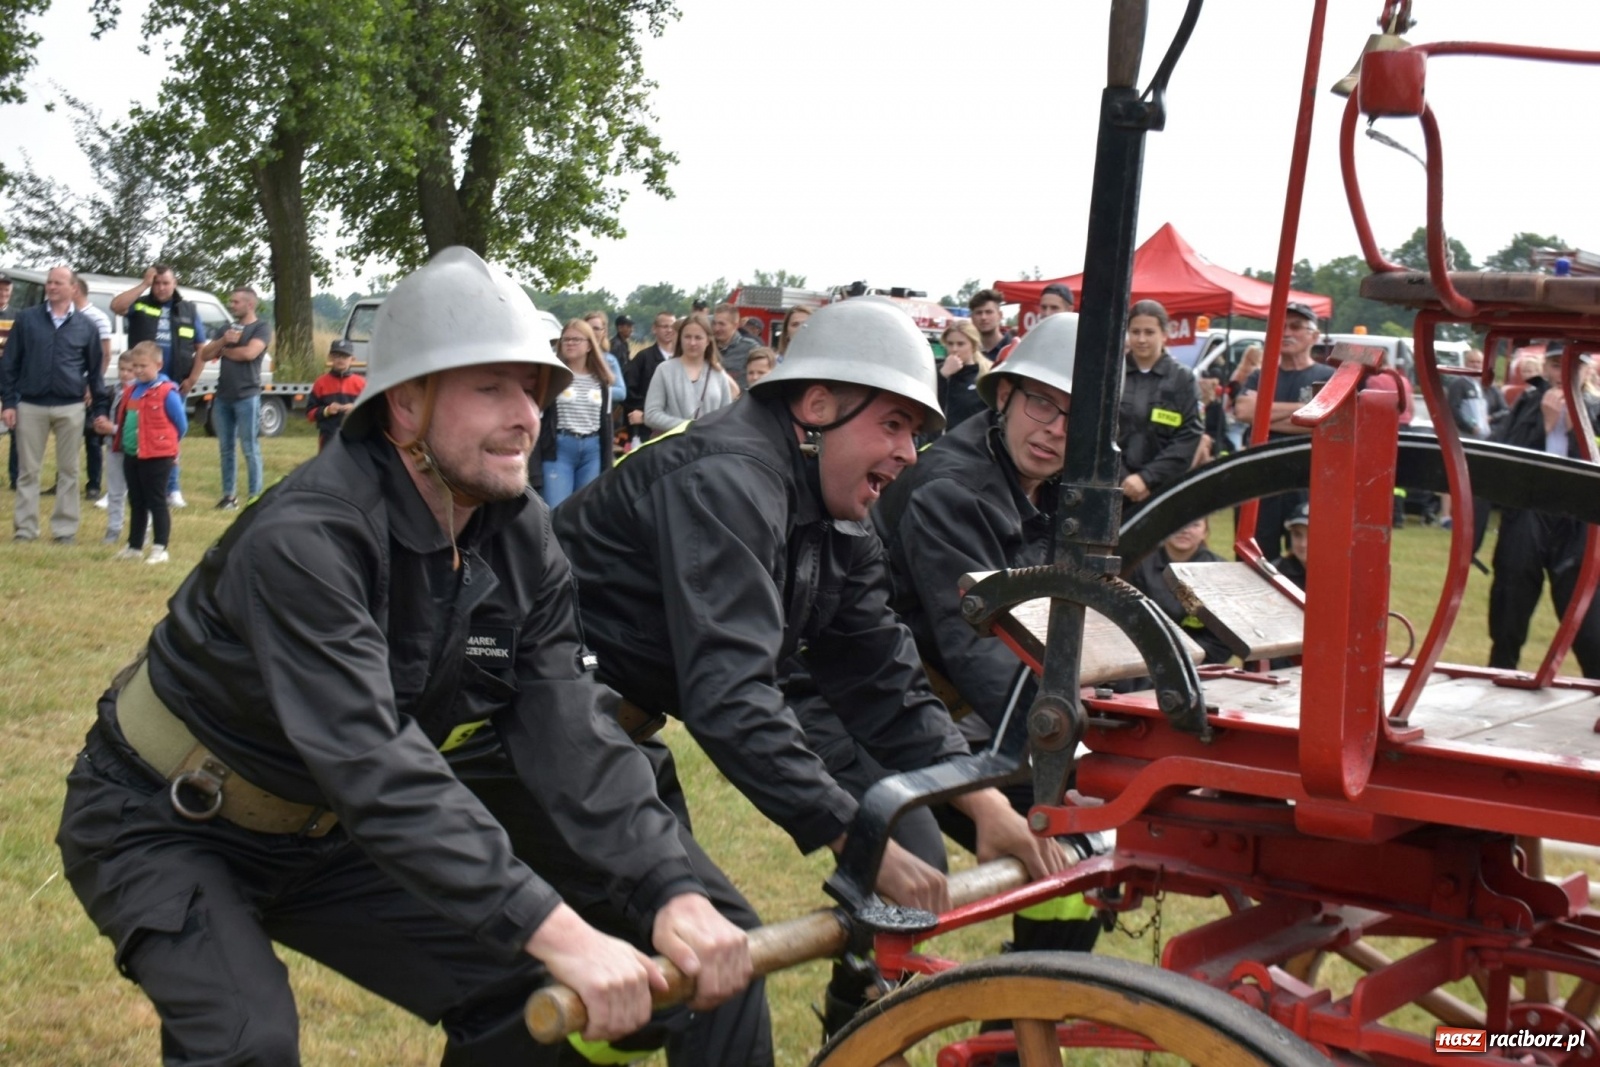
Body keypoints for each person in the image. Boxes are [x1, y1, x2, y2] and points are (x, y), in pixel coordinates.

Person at [56, 247, 759, 1067]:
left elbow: (571, 729)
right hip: (164, 820)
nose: (526, 414)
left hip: (327, 828)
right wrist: (560, 926)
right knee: (247, 1041)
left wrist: (667, 884)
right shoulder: (307, 539)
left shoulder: (520, 532)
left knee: (527, 1004)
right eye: (489, 386)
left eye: (532, 388)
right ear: (404, 406)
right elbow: (376, 760)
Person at [552, 297, 1068, 1032]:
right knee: (708, 966)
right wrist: (854, 839)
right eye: (892, 424)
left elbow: (882, 679)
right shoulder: (728, 481)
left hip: (606, 733)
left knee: (670, 983)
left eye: (916, 432)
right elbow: (730, 697)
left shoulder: (838, 514)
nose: (909, 454)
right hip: (523, 734)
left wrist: (984, 804)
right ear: (817, 405)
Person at [835, 313, 1099, 984]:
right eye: (1042, 401)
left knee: (1072, 857)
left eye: (1077, 414)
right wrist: (1083, 742)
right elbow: (979, 649)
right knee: (912, 868)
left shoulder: (1062, 493)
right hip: (874, 703)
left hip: (967, 712)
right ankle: (858, 1014)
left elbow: (1090, 619)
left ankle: (1018, 1036)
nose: (1055, 428)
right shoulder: (949, 490)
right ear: (1004, 395)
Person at [1486, 345, 1600, 677]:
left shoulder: (1595, 409)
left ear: (1587, 371)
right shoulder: (1528, 403)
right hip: (1529, 515)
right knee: (1510, 606)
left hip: (1579, 522)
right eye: (1555, 364)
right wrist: (1547, 425)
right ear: (1546, 369)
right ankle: (1501, 674)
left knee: (1587, 620)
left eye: (1572, 366)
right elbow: (1508, 457)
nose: (1563, 373)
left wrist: (1571, 427)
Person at [1, 265, 110, 543]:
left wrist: (99, 408)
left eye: (58, 283)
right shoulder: (27, 320)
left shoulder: (86, 326)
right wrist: (9, 403)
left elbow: (95, 372)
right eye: (49, 282)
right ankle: (25, 530)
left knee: (69, 470)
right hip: (31, 404)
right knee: (28, 470)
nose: (51, 287)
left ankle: (64, 531)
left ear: (73, 288)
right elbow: (10, 364)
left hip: (71, 406)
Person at [1234, 302, 1333, 557]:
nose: (1287, 332)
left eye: (1296, 326)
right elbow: (1244, 411)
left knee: (1303, 560)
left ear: (1314, 335)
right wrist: (1305, 409)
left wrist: (1263, 416)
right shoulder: (1261, 375)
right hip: (1259, 480)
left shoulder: (1329, 377)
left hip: (1304, 482)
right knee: (1252, 560)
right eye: (1281, 326)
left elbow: (1323, 422)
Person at [110, 265, 207, 508]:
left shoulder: (188, 309)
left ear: (175, 283)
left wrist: (193, 378)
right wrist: (143, 284)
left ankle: (172, 488)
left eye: (166, 283)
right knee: (135, 430)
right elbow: (117, 306)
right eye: (157, 283)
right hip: (141, 383)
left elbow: (201, 348)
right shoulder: (141, 303)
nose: (161, 288)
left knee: (171, 434)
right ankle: (130, 484)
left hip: (173, 383)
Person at [1118, 300, 1203, 514]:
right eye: (1135, 331)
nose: (1141, 339)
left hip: (1162, 491)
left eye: (1149, 332)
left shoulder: (1182, 379)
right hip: (1114, 488)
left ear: (1165, 334)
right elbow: (1097, 432)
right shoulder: (1113, 375)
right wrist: (1123, 478)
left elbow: (1188, 436)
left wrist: (1146, 478)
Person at [110, 341, 188, 565]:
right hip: (132, 453)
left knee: (156, 501)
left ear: (158, 364)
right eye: (135, 366)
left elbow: (180, 424)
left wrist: (168, 447)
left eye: (143, 366)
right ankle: (135, 546)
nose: (138, 371)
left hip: (158, 456)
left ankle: (160, 547)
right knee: (136, 501)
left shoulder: (167, 392)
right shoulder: (131, 390)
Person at [197, 286, 272, 509]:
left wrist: (225, 352)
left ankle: (255, 498)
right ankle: (228, 497)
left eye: (236, 302)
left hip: (247, 396)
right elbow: (204, 354)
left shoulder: (261, 327)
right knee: (226, 448)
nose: (231, 305)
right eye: (231, 301)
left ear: (250, 304)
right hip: (223, 397)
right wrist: (222, 342)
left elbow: (250, 353)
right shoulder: (226, 328)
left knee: (250, 448)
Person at [1126, 515, 1234, 666]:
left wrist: (1187, 657)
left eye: (1194, 525)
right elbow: (1129, 619)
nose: (1184, 530)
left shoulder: (1219, 571)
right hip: (1144, 660)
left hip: (1201, 664)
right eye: (1178, 522)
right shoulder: (1139, 566)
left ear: (1205, 532)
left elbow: (1223, 639)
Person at [538, 319, 616, 507]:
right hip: (560, 447)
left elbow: (607, 422)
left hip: (592, 449)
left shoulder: (602, 381)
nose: (570, 343)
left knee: (583, 510)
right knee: (556, 507)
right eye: (565, 340)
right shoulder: (554, 376)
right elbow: (540, 417)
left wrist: (608, 463)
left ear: (589, 345)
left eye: (576, 339)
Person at [643, 312, 733, 431]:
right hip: (674, 446)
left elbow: (727, 416)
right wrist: (686, 426)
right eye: (687, 337)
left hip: (708, 445)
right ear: (680, 338)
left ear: (708, 340)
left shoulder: (718, 373)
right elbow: (651, 415)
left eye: (698, 337)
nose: (692, 343)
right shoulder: (664, 370)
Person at [72, 275, 115, 501]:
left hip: (88, 386)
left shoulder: (98, 318)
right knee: (67, 437)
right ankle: (63, 482)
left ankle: (93, 485)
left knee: (91, 436)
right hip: (67, 386)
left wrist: (92, 385)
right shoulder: (66, 315)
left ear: (75, 289)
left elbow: (105, 355)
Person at [99, 351, 136, 545]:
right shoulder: (112, 391)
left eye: (130, 370)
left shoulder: (140, 393)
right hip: (114, 448)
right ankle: (113, 528)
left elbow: (136, 425)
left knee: (138, 493)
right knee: (114, 490)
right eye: (122, 369)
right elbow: (104, 409)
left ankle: (142, 531)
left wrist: (112, 428)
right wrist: (101, 421)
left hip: (134, 449)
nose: (125, 374)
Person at [623, 312, 674, 445]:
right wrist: (647, 413)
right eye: (664, 326)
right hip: (646, 429)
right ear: (654, 329)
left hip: (675, 426)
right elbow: (628, 390)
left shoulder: (682, 359)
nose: (669, 330)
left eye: (672, 326)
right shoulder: (643, 358)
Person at [306, 338, 366, 450]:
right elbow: (309, 414)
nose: (340, 360)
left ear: (352, 359)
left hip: (355, 437)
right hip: (328, 437)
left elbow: (372, 412)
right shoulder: (321, 383)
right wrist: (327, 410)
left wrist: (355, 409)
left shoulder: (361, 383)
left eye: (344, 356)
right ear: (330, 357)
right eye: (337, 356)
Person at [937, 319, 992, 432]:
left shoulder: (985, 374)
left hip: (971, 441)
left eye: (960, 344)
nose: (954, 349)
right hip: (939, 442)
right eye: (950, 344)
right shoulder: (939, 371)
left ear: (974, 346)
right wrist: (942, 376)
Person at [711, 302, 758, 390]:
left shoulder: (750, 348)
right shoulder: (707, 347)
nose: (716, 328)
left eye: (722, 324)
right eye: (714, 323)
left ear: (735, 325)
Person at [0, 271, 18, 490]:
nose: (2, 293)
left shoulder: (18, 316)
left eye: (6, 289)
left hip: (11, 378)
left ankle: (16, 477)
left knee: (16, 426)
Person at [967, 288, 1012, 362]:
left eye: (989, 312)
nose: (983, 317)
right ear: (972, 317)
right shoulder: (965, 350)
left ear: (1000, 315)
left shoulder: (1014, 349)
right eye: (979, 313)